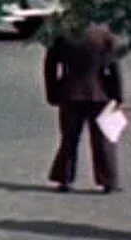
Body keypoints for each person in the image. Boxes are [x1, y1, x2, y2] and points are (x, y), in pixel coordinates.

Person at [44, 23, 123, 193]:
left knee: (69, 138)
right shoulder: (104, 35)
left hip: (70, 92)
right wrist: (117, 96)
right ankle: (108, 180)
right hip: (100, 93)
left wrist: (52, 92)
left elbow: (50, 65)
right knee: (103, 139)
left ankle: (64, 178)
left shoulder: (62, 33)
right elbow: (114, 68)